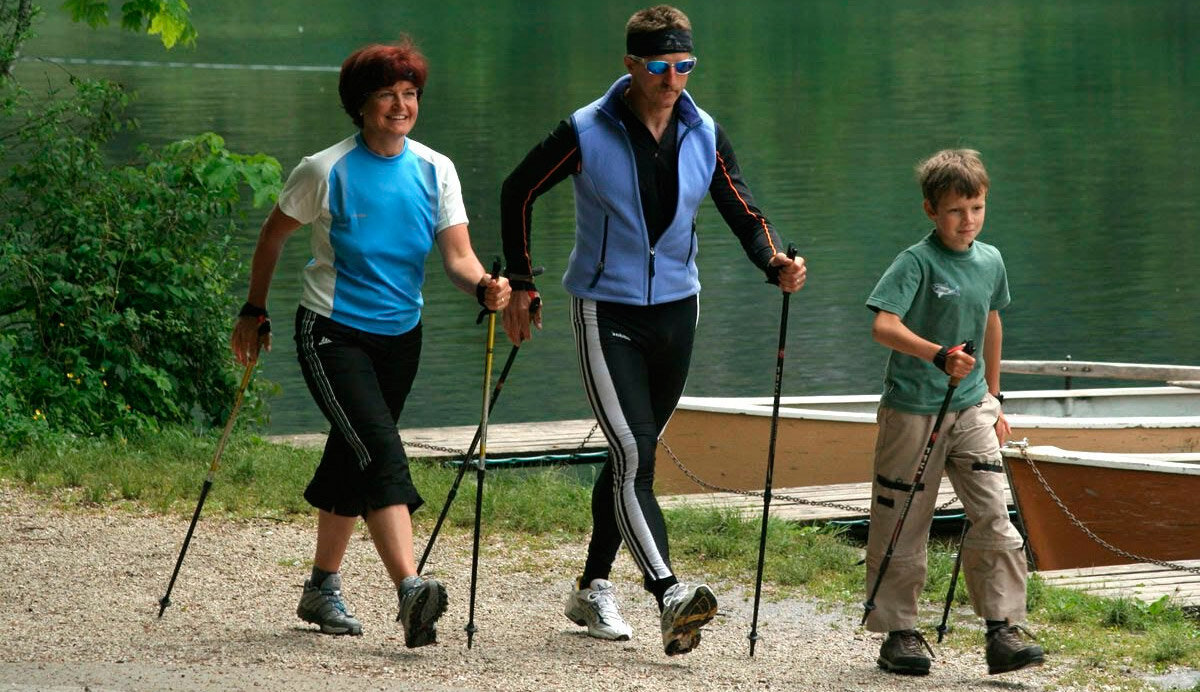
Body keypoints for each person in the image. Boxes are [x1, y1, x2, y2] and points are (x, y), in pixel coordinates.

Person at [498, 5, 806, 656]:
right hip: (603, 310)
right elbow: (516, 191)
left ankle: (590, 587)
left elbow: (745, 213)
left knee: (630, 456)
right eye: (661, 66)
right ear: (632, 65)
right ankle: (669, 593)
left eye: (685, 65)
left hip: (677, 311)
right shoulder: (586, 130)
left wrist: (772, 261)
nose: (673, 80)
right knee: (635, 454)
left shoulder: (705, 132)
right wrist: (522, 285)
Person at [229, 38, 510, 648]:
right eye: (387, 95)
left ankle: (321, 587)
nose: (401, 106)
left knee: (351, 454)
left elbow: (458, 258)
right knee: (381, 452)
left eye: (410, 95)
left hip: (400, 337)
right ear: (361, 105)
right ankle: (409, 589)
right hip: (330, 332)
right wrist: (254, 308)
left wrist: (485, 286)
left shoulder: (437, 170)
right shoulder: (324, 169)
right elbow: (273, 237)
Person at [863, 149, 1044, 676]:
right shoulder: (914, 262)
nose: (968, 221)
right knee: (903, 523)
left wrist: (994, 396)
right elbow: (883, 327)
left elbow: (991, 322)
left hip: (970, 409)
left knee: (994, 514)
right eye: (956, 211)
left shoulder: (990, 259)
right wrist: (936, 353)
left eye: (977, 208)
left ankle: (1002, 630)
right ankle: (900, 634)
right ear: (930, 211)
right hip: (912, 411)